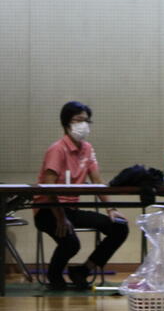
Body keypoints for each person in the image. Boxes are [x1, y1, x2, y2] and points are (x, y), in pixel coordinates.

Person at [33, 101, 129, 290]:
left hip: (71, 209)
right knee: (71, 243)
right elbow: (48, 188)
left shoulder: (87, 149)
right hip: (48, 210)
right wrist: (60, 218)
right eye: (78, 120)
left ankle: (83, 271)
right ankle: (54, 276)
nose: (83, 125)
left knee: (119, 228)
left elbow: (98, 182)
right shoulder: (57, 149)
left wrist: (111, 209)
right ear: (66, 123)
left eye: (86, 121)